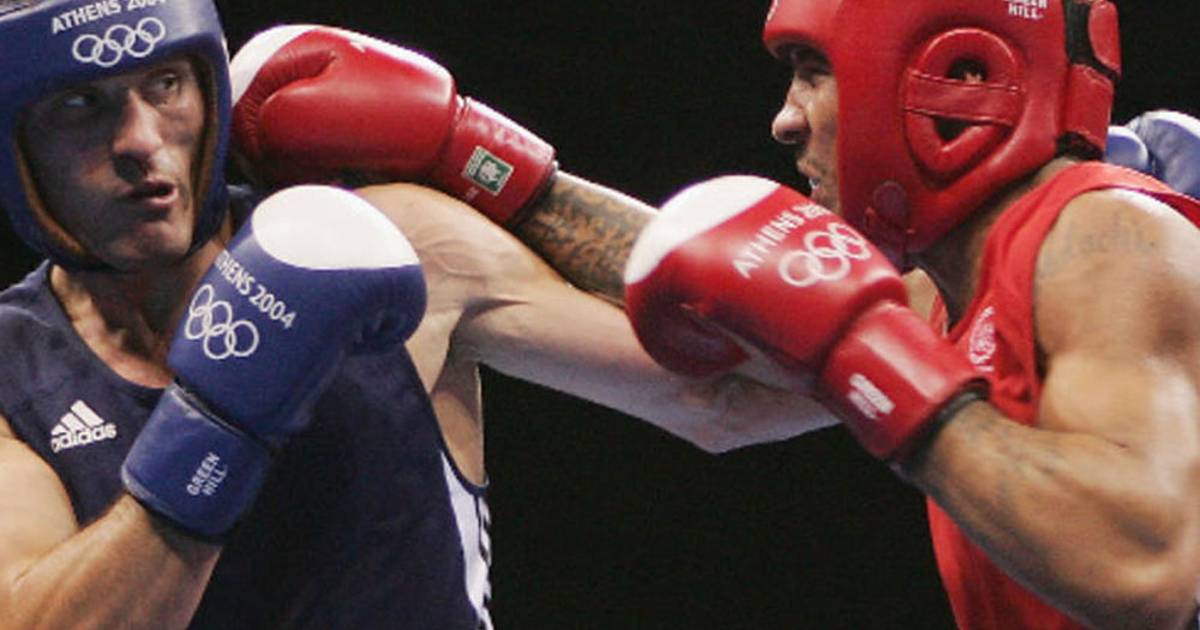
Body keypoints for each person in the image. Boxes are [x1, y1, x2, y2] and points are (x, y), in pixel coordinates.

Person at [0, 2, 830, 627]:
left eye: (165, 86)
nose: (142, 140)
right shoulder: (10, 370)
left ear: (209, 91)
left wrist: (505, 173)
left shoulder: (396, 246)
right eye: (81, 105)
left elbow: (738, 389)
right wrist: (217, 427)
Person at [623, 2, 1200, 629]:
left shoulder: (1109, 238)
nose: (785, 121)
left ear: (960, 74)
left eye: (814, 71)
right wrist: (536, 184)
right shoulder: (944, 295)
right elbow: (685, 309)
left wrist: (879, 369)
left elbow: (1145, 572)